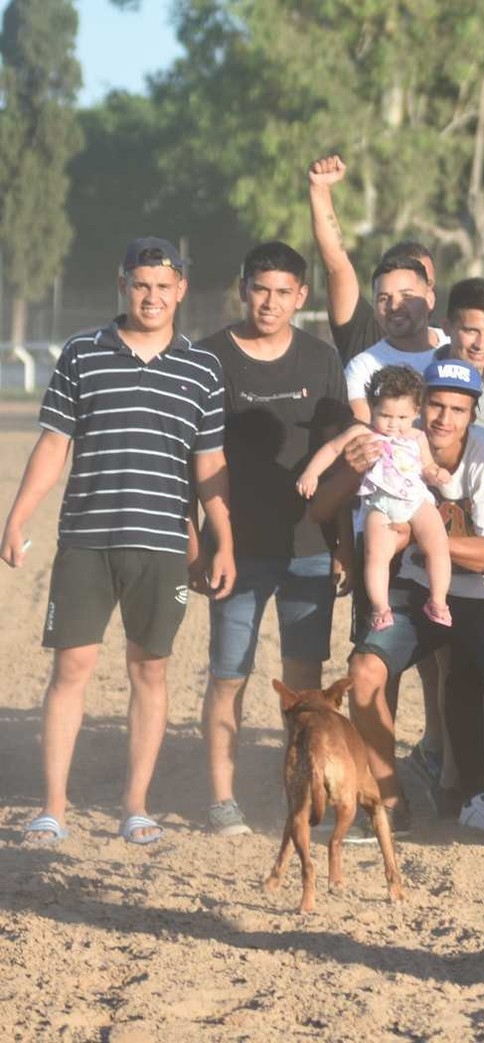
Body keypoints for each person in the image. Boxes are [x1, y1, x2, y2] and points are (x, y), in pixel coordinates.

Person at [8, 237, 234, 846]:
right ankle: (53, 807)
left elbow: (209, 465)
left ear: (181, 290)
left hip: (162, 545)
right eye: (141, 285)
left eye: (163, 286)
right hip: (87, 539)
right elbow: (54, 444)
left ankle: (136, 806)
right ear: (123, 285)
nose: (151, 297)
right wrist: (18, 515)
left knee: (149, 671)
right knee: (71, 668)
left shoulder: (202, 369)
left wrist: (223, 540)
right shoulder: (82, 353)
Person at [308, 359, 484, 849]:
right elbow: (322, 509)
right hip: (419, 587)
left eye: (457, 409)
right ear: (418, 408)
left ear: (472, 414)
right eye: (436, 405)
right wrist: (351, 471)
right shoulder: (384, 443)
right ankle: (390, 802)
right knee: (364, 671)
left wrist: (418, 538)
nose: (444, 418)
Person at [196, 240, 353, 837]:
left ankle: (302, 793)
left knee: (305, 683)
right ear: (243, 289)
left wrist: (341, 544)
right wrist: (201, 543)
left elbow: (340, 459)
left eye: (283, 292)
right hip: (234, 550)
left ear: (301, 296)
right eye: (260, 289)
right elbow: (195, 460)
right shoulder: (209, 358)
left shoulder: (320, 359)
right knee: (228, 673)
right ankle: (221, 799)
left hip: (308, 549)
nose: (270, 302)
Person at [298, 365, 455, 630]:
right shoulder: (363, 433)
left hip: (416, 499)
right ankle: (380, 608)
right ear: (371, 408)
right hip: (380, 503)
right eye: (385, 415)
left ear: (416, 412)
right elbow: (332, 449)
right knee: (376, 554)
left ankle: (438, 600)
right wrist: (311, 473)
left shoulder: (417, 436)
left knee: (438, 543)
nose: (394, 424)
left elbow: (426, 466)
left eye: (402, 417)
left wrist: (436, 473)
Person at [306, 153, 440, 363]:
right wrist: (320, 189)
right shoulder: (364, 333)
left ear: (430, 295)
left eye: (427, 283)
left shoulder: (452, 349)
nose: (397, 304)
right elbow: (337, 266)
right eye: (388, 295)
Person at [343, 257, 449, 421]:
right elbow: (363, 430)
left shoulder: (457, 348)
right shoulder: (362, 368)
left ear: (429, 299)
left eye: (406, 296)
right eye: (383, 298)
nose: (394, 306)